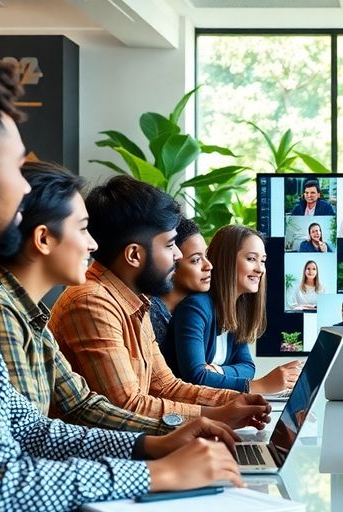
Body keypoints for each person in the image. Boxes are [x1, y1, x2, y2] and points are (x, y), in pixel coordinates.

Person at [0, 33, 242, 510]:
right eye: (19, 168)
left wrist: (148, 446)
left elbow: (23, 425)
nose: (26, 188)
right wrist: (157, 475)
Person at [49, 176, 271, 429]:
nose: (178, 255)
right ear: (134, 254)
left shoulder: (136, 301)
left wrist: (236, 401)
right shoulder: (92, 303)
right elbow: (129, 406)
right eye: (169, 245)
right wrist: (217, 415)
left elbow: (166, 386)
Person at [0, 161, 174, 435]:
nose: (93, 244)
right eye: (83, 229)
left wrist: (173, 433)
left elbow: (81, 404)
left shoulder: (30, 313)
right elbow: (27, 437)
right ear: (44, 239)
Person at [164, 225, 301, 394]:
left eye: (262, 260)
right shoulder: (196, 307)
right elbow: (196, 376)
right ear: (225, 261)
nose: (260, 269)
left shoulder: (236, 310)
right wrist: (259, 385)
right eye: (251, 259)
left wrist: (218, 371)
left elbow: (248, 367)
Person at [150, 218, 208, 345]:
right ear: (173, 260)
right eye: (196, 260)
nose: (208, 266)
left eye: (206, 255)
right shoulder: (149, 314)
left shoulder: (202, 307)